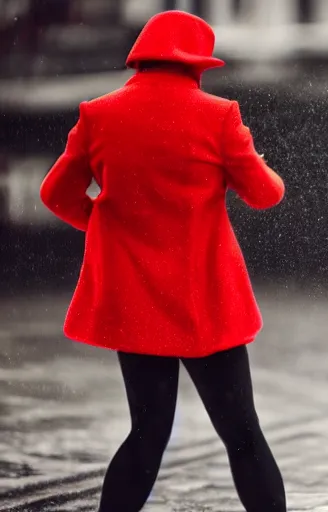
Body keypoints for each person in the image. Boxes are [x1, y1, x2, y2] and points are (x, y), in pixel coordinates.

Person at [39, 10, 286, 512]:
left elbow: (57, 194)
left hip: (135, 302)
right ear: (198, 63)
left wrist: (107, 228)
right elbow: (266, 195)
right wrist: (254, 158)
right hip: (205, 301)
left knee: (147, 434)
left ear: (142, 58)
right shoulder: (219, 116)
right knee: (241, 433)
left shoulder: (99, 114)